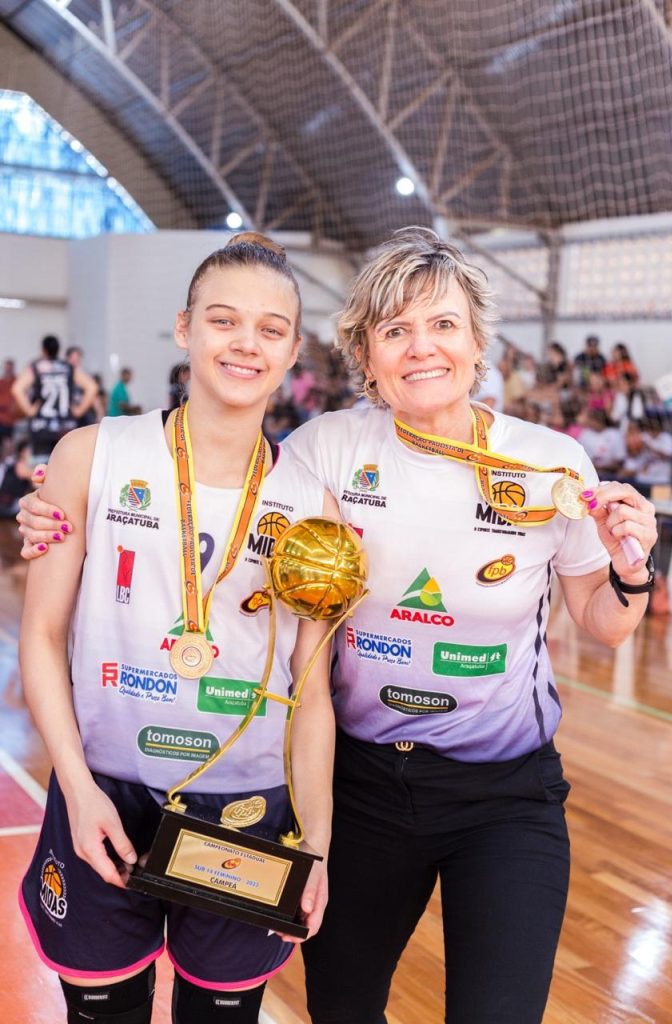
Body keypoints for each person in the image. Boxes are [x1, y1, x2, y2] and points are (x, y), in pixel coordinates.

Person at [17, 228, 658, 1024]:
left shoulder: (545, 465)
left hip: (486, 792)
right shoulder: (323, 453)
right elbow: (203, 487)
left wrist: (633, 569)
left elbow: (606, 622)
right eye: (395, 330)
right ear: (364, 352)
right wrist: (47, 508)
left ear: (477, 339)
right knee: (336, 1009)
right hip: (347, 789)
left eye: (443, 325)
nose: (421, 349)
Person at [16, 234, 337, 1024]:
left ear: (294, 348)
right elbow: (41, 637)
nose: (245, 344)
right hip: (103, 796)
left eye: (270, 329)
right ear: (185, 327)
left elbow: (313, 694)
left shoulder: (313, 502)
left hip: (247, 811)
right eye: (224, 320)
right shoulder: (91, 454)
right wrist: (77, 787)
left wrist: (316, 844)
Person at [11, 335, 98, 458]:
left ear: (43, 349)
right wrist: (78, 410)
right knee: (65, 465)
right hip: (65, 426)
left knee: (41, 468)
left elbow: (17, 389)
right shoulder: (68, 367)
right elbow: (92, 387)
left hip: (41, 426)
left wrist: (29, 410)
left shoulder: (37, 367)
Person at [0, 438, 32, 517]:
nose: (31, 453)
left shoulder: (16, 464)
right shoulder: (20, 465)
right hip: (10, 504)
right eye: (29, 450)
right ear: (22, 451)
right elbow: (34, 477)